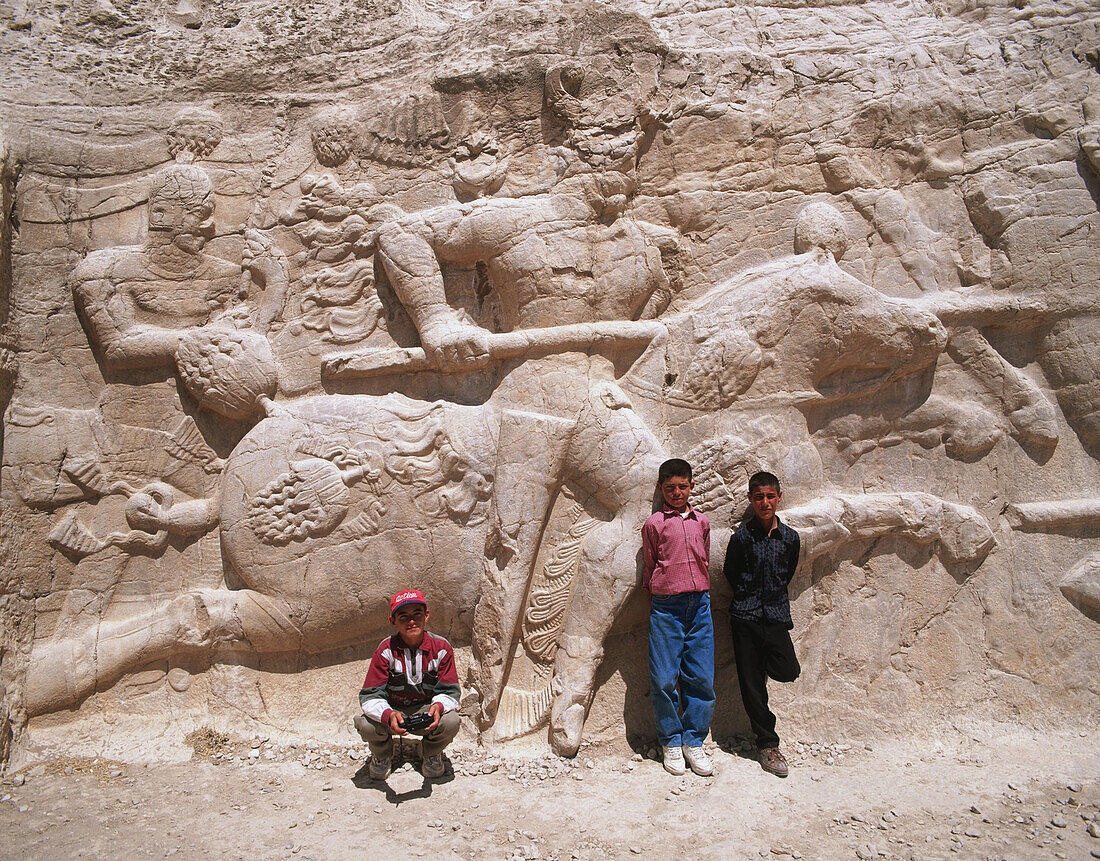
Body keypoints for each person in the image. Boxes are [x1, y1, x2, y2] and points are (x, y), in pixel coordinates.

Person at [723, 471, 802, 777]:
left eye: (770, 496)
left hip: (776, 617)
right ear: (750, 499)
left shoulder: (790, 538)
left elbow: (789, 571)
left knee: (787, 670)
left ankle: (763, 663)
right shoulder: (742, 538)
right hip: (745, 616)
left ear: (778, 497)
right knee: (752, 685)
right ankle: (767, 743)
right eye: (759, 497)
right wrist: (747, 596)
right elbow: (731, 572)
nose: (765, 503)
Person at [641, 458, 715, 776]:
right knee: (664, 678)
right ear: (661, 488)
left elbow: (705, 558)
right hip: (666, 608)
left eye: (682, 486)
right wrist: (661, 594)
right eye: (669, 487)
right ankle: (671, 742)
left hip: (699, 605)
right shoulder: (654, 524)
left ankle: (693, 741)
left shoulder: (702, 522)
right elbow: (650, 562)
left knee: (700, 677)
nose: (676, 492)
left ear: (691, 487)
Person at [354, 589, 461, 780]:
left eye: (417, 614)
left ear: (426, 616)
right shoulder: (385, 650)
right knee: (365, 724)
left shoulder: (441, 648)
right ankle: (382, 754)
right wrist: (388, 715)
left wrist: (438, 707)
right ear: (392, 621)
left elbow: (450, 692)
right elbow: (370, 696)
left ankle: (430, 753)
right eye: (403, 616)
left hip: (425, 714)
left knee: (451, 721)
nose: (411, 621)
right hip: (394, 712)